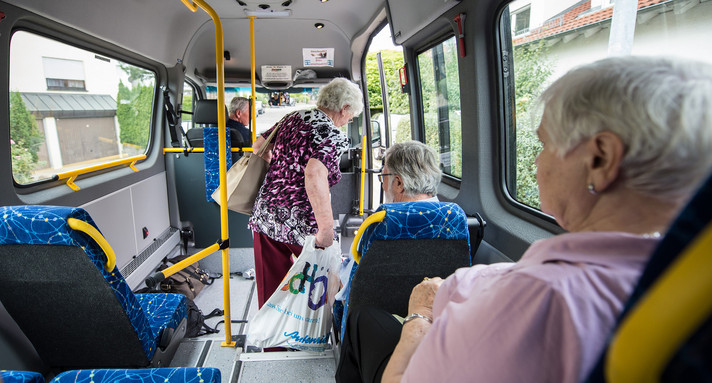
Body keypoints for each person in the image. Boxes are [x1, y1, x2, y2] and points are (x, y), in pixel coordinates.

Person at [335, 56, 712, 382]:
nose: (535, 162)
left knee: (360, 320)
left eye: (546, 143)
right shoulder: (687, 282)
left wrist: (418, 315)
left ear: (600, 159)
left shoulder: (538, 301)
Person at [248, 78, 364, 308]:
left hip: (267, 213)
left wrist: (283, 172)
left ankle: (273, 342)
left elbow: (259, 146)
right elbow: (314, 173)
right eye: (350, 116)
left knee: (270, 288)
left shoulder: (292, 117)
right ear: (345, 108)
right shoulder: (333, 134)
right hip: (301, 220)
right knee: (322, 283)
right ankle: (312, 336)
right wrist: (326, 228)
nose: (348, 121)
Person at [333, 140, 444, 338]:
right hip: (436, 324)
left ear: (399, 183)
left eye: (383, 176)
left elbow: (349, 286)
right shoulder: (455, 219)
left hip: (376, 326)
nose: (383, 185)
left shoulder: (379, 223)